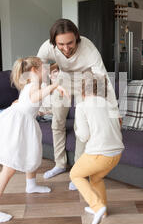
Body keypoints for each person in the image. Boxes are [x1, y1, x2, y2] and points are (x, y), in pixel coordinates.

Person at [37, 18, 120, 190]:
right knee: (57, 123)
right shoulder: (47, 47)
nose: (66, 48)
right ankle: (60, 164)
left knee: (82, 128)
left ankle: (78, 170)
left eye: (70, 43)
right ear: (54, 42)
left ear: (77, 37)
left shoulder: (89, 50)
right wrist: (43, 89)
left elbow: (104, 81)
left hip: (85, 82)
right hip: (62, 81)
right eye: (61, 44)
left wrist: (116, 112)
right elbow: (39, 66)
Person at [0, 56, 68, 223]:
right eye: (44, 68)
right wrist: (55, 85)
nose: (48, 70)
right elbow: (35, 97)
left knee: (31, 153)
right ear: (35, 71)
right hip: (15, 127)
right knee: (9, 169)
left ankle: (31, 184)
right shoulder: (35, 85)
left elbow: (32, 101)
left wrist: (61, 65)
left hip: (24, 122)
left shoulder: (33, 82)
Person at [70, 74, 124, 224]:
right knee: (96, 178)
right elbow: (118, 126)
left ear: (82, 91)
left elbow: (84, 135)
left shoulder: (82, 106)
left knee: (75, 175)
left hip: (99, 154)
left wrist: (77, 131)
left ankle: (97, 206)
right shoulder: (111, 105)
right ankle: (103, 210)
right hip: (117, 153)